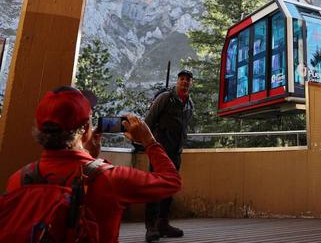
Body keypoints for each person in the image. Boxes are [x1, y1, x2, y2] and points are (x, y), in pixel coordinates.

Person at [4, 86, 182, 243]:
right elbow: (171, 181)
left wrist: (88, 155)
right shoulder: (110, 180)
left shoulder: (17, 180)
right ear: (86, 128)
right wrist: (149, 141)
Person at [144, 69, 194, 242]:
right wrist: (148, 145)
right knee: (155, 187)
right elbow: (148, 121)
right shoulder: (165, 98)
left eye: (188, 79)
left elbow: (184, 128)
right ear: (177, 81)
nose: (185, 82)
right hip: (160, 151)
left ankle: (162, 223)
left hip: (175, 152)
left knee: (170, 187)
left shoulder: (189, 104)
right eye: (182, 79)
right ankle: (150, 227)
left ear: (191, 83)